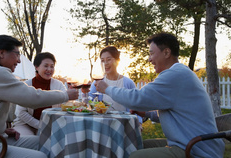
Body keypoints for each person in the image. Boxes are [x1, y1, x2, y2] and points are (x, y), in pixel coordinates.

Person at [94, 33, 225, 158]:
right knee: (134, 145)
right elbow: (174, 112)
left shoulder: (174, 75)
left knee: (135, 155)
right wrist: (146, 114)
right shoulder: (180, 73)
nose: (149, 59)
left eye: (151, 53)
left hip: (196, 150)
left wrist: (108, 89)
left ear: (166, 52)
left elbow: (137, 98)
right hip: (187, 143)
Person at [0, 35, 79, 158]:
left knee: (47, 141)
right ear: (1, 53)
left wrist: (2, 129)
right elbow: (32, 98)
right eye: (17, 54)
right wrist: (65, 95)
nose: (19, 60)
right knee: (40, 156)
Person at [83, 46, 143, 122]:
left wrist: (139, 123)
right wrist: (85, 93)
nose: (105, 64)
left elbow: (136, 105)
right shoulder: (97, 82)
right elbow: (88, 101)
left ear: (117, 60)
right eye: (102, 61)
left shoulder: (128, 83)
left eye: (108, 60)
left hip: (124, 122)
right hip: (103, 122)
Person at [13, 52, 66, 135]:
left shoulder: (59, 85)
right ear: (36, 67)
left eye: (52, 66)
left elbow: (66, 105)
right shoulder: (26, 85)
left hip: (50, 125)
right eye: (46, 66)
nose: (49, 69)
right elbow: (21, 112)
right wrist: (39, 125)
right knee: (28, 141)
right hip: (24, 124)